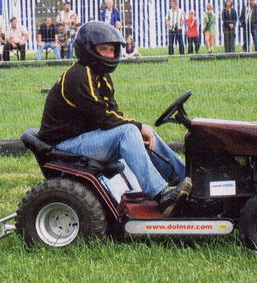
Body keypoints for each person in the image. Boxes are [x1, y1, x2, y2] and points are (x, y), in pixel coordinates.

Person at [38, 22, 191, 217]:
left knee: (143, 133)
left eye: (112, 50)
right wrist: (136, 127)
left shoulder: (101, 76)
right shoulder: (79, 76)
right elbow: (102, 117)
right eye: (104, 49)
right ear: (88, 49)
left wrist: (141, 129)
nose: (110, 55)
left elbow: (113, 112)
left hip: (84, 137)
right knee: (129, 131)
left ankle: (186, 181)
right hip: (64, 145)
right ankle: (162, 194)